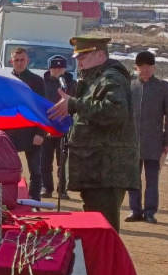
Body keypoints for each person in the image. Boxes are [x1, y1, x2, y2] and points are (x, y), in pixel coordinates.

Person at [47, 36, 140, 233]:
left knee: (104, 232)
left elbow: (115, 112)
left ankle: (109, 265)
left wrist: (74, 104)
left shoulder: (110, 78)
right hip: (97, 169)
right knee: (96, 230)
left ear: (100, 56)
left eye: (83, 57)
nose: (78, 62)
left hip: (107, 171)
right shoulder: (94, 78)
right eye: (77, 58)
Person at [126, 51, 168, 224]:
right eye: (141, 67)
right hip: (131, 142)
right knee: (133, 179)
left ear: (154, 68)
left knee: (152, 180)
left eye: (148, 67)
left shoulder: (164, 87)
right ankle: (135, 210)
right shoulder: (130, 87)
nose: (145, 70)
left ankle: (150, 211)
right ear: (136, 68)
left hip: (154, 141)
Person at [5, 47, 46, 201]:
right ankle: (11, 199)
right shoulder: (6, 81)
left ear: (28, 60)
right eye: (16, 60)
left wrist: (40, 132)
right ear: (11, 61)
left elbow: (43, 109)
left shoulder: (37, 81)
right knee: (11, 171)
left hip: (31, 133)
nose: (19, 63)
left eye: (22, 60)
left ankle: (35, 201)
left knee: (35, 171)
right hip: (10, 133)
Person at [41, 55, 77, 199]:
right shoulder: (42, 83)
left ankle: (62, 189)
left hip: (64, 127)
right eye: (54, 68)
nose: (57, 70)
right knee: (44, 160)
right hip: (46, 125)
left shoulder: (72, 84)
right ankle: (46, 187)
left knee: (62, 160)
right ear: (49, 69)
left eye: (60, 67)